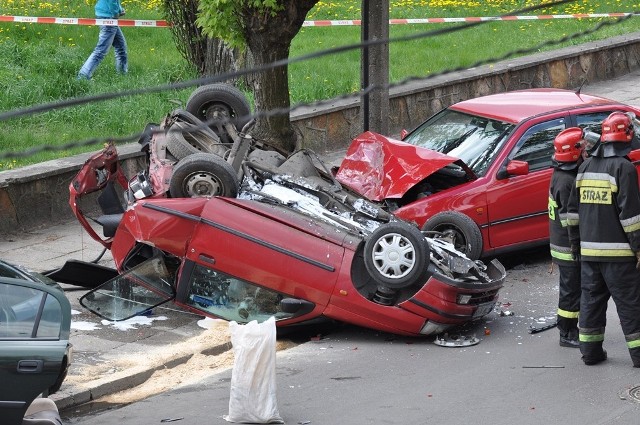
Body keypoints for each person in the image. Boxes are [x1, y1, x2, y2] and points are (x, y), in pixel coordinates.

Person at [567, 111, 640, 367]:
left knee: (591, 303)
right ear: (627, 135)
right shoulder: (624, 168)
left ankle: (590, 353)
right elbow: (631, 216)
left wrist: (576, 246)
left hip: (589, 254)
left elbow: (572, 214)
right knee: (631, 305)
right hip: (619, 256)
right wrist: (638, 248)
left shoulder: (585, 168)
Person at [548, 127, 585, 348]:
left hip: (562, 244)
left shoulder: (563, 174)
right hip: (567, 246)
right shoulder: (566, 181)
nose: (585, 152)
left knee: (571, 289)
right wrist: (577, 246)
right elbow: (570, 220)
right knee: (571, 292)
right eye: (582, 148)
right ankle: (567, 333)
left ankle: (569, 327)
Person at [77, 0, 128, 80]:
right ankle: (83, 77)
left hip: (106, 14)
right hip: (108, 17)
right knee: (100, 51)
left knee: (121, 47)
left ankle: (122, 75)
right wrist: (115, 13)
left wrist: (120, 10)